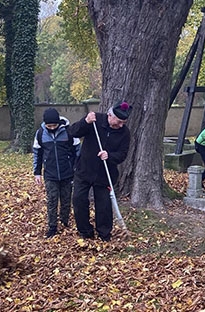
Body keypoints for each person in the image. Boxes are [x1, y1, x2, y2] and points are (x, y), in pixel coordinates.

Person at [68, 101, 132, 241]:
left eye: (124, 122)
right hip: (84, 170)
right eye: (119, 121)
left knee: (103, 205)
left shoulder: (124, 133)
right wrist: (85, 121)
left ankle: (104, 233)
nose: (121, 125)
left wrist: (109, 155)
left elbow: (122, 154)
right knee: (79, 200)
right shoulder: (95, 120)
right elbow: (73, 132)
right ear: (110, 115)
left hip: (105, 174)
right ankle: (85, 232)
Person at [33, 108, 80, 238]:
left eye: (54, 125)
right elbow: (37, 153)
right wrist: (37, 173)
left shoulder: (69, 132)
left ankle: (64, 221)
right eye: (49, 126)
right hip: (50, 174)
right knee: (52, 200)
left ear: (59, 122)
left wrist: (76, 168)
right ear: (45, 124)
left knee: (66, 199)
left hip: (67, 172)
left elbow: (77, 151)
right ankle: (52, 226)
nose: (52, 128)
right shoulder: (40, 134)